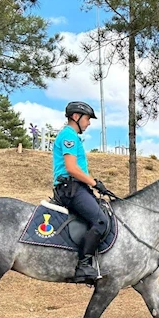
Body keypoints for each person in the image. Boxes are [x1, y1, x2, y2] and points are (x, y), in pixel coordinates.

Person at [53, 101, 110, 284]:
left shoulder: (72, 137)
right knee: (101, 221)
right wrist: (95, 183)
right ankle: (83, 266)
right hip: (71, 188)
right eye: (87, 119)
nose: (89, 123)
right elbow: (71, 168)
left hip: (77, 187)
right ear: (76, 117)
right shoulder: (68, 136)